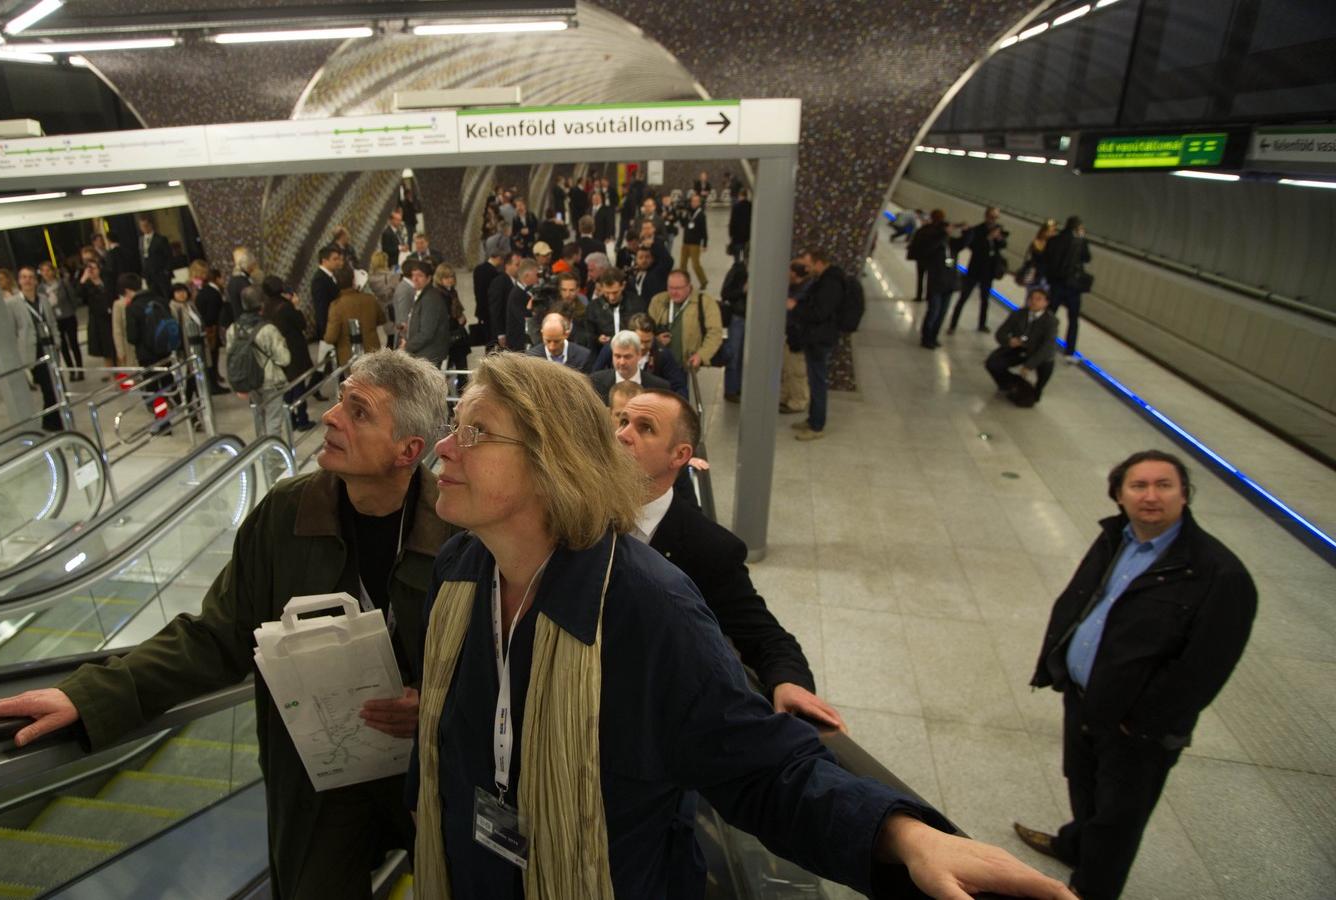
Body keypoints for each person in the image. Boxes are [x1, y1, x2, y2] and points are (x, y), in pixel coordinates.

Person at [413, 352, 1075, 899]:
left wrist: (904, 835)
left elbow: (760, 768)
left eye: (476, 431)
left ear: (551, 459)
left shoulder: (647, 608)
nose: (445, 446)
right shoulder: (463, 567)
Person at [0, 350, 455, 900]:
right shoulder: (286, 515)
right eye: (339, 398)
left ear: (408, 451)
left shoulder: (460, 530)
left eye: (358, 412)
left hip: (430, 768)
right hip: (321, 774)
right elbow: (218, 633)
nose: (330, 416)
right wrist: (90, 695)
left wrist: (438, 708)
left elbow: (508, 665)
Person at [1015, 450, 1256, 900]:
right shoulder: (1116, 538)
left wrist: (1140, 723)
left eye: (1164, 485)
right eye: (1138, 486)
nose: (1151, 496)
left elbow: (1204, 671)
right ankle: (1075, 846)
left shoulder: (1220, 575)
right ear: (1119, 496)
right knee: (1082, 784)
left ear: (1185, 495)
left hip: (1137, 728)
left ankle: (1091, 889)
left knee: (1118, 817)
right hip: (1085, 699)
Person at [616, 388, 845, 729]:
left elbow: (764, 635)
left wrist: (788, 682)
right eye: (622, 421)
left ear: (679, 455)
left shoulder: (708, 548)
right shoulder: (577, 511)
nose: (622, 434)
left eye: (645, 428)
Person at [788, 250, 845, 440]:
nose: (806, 268)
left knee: (818, 382)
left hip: (820, 339)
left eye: (809, 264)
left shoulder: (830, 284)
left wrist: (795, 307)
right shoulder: (825, 278)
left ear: (819, 263)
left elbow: (819, 313)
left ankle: (817, 425)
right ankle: (813, 418)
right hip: (816, 338)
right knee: (814, 380)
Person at [227, 285, 293, 441]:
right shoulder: (268, 329)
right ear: (262, 305)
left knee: (259, 418)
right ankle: (274, 462)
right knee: (273, 422)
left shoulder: (233, 329)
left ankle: (262, 453)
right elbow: (284, 358)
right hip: (270, 381)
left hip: (249, 380)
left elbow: (231, 353)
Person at [5, 268, 65, 432]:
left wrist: (57, 340)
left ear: (36, 281)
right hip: (33, 350)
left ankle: (54, 419)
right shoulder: (12, 303)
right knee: (48, 387)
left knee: (57, 384)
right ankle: (52, 422)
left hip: (49, 346)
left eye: (31, 277)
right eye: (24, 277)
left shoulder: (43, 299)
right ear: (19, 280)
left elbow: (52, 322)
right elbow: (12, 331)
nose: (28, 280)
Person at [985, 287, 1059, 404]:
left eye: (1038, 299)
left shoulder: (1051, 321)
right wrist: (1009, 340)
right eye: (1032, 298)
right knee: (993, 362)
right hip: (1018, 348)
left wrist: (1029, 365)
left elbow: (1047, 346)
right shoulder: (1018, 314)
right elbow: (1000, 333)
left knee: (1047, 362)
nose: (1034, 302)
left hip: (1037, 352)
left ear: (1046, 303)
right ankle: (1009, 384)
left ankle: (1036, 390)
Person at [263, 275, 317, 432]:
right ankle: (302, 419)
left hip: (277, 352)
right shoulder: (286, 306)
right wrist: (296, 306)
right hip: (294, 351)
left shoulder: (266, 308)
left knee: (287, 388)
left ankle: (291, 419)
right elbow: (301, 324)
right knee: (298, 385)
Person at [647, 270, 722, 372]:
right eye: (670, 288)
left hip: (687, 364)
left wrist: (701, 355)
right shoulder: (658, 301)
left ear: (689, 286)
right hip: (659, 364)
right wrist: (655, 340)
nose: (674, 292)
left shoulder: (705, 302)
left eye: (678, 288)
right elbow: (646, 330)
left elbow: (715, 334)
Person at [948, 208, 1007, 334]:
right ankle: (953, 324)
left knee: (985, 299)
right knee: (963, 298)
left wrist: (998, 239)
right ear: (986, 216)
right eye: (992, 217)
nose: (994, 220)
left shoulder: (998, 230)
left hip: (989, 271)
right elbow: (973, 246)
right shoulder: (977, 230)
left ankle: (982, 324)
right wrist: (988, 239)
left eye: (996, 218)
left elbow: (1003, 245)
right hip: (975, 269)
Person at [1043, 215, 1092, 359]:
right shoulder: (1081, 242)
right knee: (1073, 319)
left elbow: (1047, 259)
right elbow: (1087, 258)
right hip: (1073, 287)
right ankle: (1069, 351)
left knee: (1048, 315)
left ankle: (1041, 343)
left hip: (1056, 284)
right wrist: (1083, 239)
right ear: (1077, 228)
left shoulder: (1054, 240)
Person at [911, 213, 963, 348]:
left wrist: (967, 230)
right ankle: (926, 337)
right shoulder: (934, 242)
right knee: (933, 311)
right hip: (936, 283)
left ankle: (934, 336)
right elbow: (927, 250)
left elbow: (964, 242)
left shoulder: (951, 244)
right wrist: (942, 235)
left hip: (949, 283)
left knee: (942, 313)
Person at [583, 268, 645, 374]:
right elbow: (587, 332)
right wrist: (598, 338)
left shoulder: (636, 303)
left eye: (615, 292)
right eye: (607, 293)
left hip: (630, 351)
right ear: (601, 288)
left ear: (623, 286)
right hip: (602, 354)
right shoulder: (593, 307)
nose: (611, 297)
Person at [323, 265, 385, 366]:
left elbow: (331, 337)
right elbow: (382, 319)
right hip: (373, 353)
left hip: (350, 358)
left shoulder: (336, 306)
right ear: (353, 280)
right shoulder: (370, 299)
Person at [587, 329, 668, 401]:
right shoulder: (596, 383)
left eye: (627, 357)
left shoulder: (659, 388)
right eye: (617, 356)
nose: (622, 362)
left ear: (639, 355)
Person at [404, 263, 452, 368]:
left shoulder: (430, 298)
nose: (415, 279)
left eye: (419, 275)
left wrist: (407, 346)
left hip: (428, 357)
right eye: (413, 275)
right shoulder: (424, 295)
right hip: (425, 355)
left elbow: (427, 333)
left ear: (429, 278)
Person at [41, 262, 83, 381]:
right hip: (55, 319)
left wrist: (72, 309)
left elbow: (72, 298)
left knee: (73, 343)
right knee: (62, 345)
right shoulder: (41, 288)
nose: (46, 273)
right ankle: (71, 370)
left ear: (53, 271)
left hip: (68, 315)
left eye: (48, 270)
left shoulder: (63, 284)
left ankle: (80, 369)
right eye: (43, 271)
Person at [629, 312, 687, 398]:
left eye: (647, 341)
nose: (643, 346)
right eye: (639, 341)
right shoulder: (615, 350)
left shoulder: (663, 355)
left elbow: (679, 388)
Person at [780, 261, 812, 415]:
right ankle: (787, 397)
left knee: (797, 371)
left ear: (794, 274)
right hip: (791, 335)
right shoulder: (796, 287)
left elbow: (795, 309)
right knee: (789, 369)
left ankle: (798, 401)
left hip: (798, 337)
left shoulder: (804, 291)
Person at [193, 261, 228, 392]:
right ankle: (213, 384)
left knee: (213, 356)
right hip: (209, 330)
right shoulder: (212, 293)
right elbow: (211, 315)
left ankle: (214, 379)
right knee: (211, 357)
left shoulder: (207, 291)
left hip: (209, 328)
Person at [719, 260, 748, 402]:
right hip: (738, 317)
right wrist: (742, 290)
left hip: (755, 319)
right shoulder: (739, 270)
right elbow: (725, 293)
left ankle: (741, 386)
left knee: (746, 355)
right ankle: (731, 389)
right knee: (734, 353)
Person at [526, 311, 591, 372]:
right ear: (542, 333)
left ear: (566, 334)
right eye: (548, 341)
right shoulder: (531, 358)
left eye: (556, 341)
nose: (552, 347)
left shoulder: (583, 356)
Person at [501, 259, 541, 354]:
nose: (538, 278)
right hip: (519, 347)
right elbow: (523, 319)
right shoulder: (516, 295)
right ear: (527, 276)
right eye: (536, 275)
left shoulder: (528, 291)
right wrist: (532, 311)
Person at [310, 244, 345, 348]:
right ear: (324, 261)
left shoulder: (331, 275)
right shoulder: (319, 280)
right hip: (329, 328)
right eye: (335, 259)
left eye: (339, 258)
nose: (338, 262)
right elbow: (321, 308)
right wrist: (326, 333)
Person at [678, 192, 709, 290]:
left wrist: (704, 243)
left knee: (695, 264)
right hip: (685, 242)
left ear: (699, 202)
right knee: (682, 264)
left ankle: (703, 281)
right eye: (692, 201)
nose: (694, 203)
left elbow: (704, 230)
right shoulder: (688, 213)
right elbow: (683, 225)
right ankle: (682, 282)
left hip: (695, 243)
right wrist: (681, 215)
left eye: (696, 201)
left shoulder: (701, 215)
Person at [137, 213, 176, 291]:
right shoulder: (141, 240)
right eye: (141, 226)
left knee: (165, 294)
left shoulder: (160, 239)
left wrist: (166, 271)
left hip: (161, 274)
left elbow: (169, 256)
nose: (143, 228)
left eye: (145, 225)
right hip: (149, 275)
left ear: (151, 225)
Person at [111, 273, 140, 369]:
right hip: (127, 347)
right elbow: (117, 330)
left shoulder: (140, 300)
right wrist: (120, 351)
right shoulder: (118, 305)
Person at [728, 187, 752, 265]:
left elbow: (732, 222)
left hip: (737, 237)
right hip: (748, 237)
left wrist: (731, 234)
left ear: (740, 195)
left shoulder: (736, 207)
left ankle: (738, 271)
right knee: (747, 257)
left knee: (737, 259)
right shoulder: (750, 206)